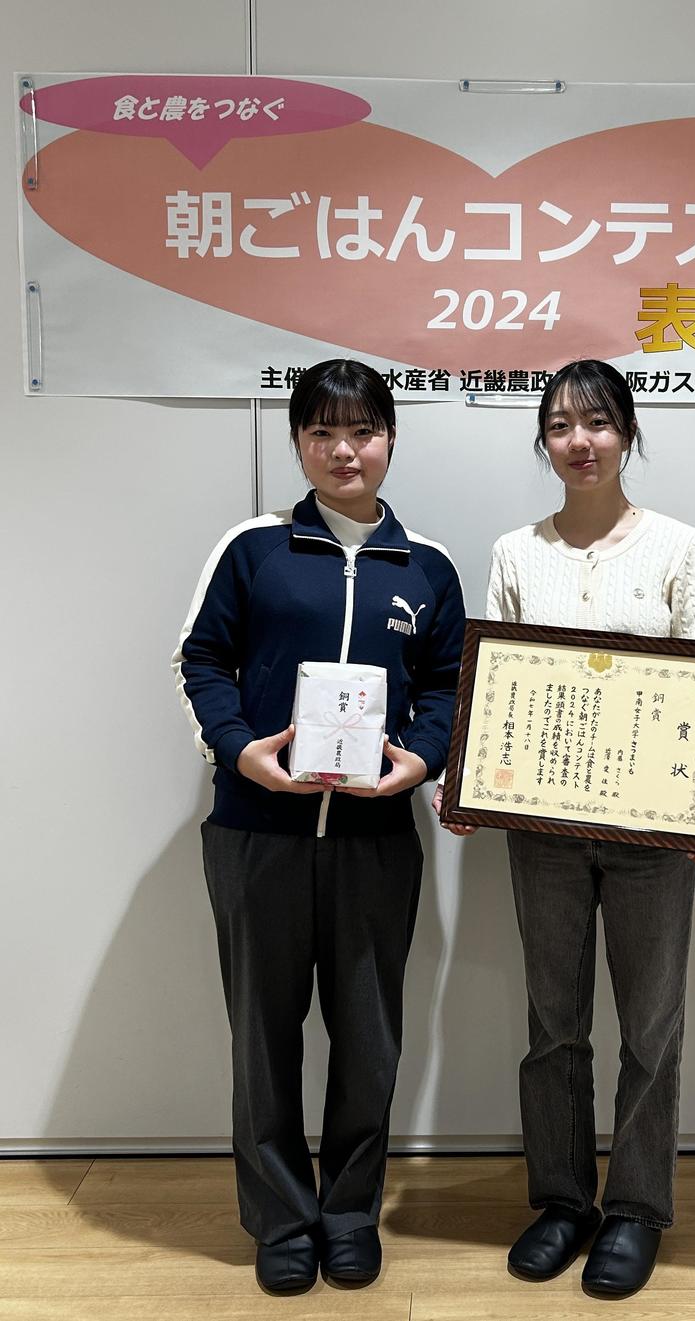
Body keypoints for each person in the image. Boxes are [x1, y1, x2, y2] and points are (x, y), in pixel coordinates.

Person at [434, 359, 695, 1299]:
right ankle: (563, 1199)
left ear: (628, 433)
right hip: (545, 828)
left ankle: (636, 1208)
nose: (581, 441)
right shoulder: (515, 552)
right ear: (544, 441)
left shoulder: (678, 546)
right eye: (562, 425)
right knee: (553, 1022)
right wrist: (465, 782)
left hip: (653, 833)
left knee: (651, 1025)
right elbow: (494, 686)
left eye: (599, 422)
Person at [173, 359, 465, 1295]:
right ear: (298, 442)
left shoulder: (428, 567)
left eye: (363, 431)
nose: (344, 450)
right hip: (257, 832)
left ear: (390, 439)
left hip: (376, 842)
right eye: (322, 433)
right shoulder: (253, 548)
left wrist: (423, 759)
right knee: (262, 1037)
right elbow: (200, 660)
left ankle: (348, 1215)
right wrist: (237, 750)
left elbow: (450, 685)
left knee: (369, 1038)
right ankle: (281, 1220)